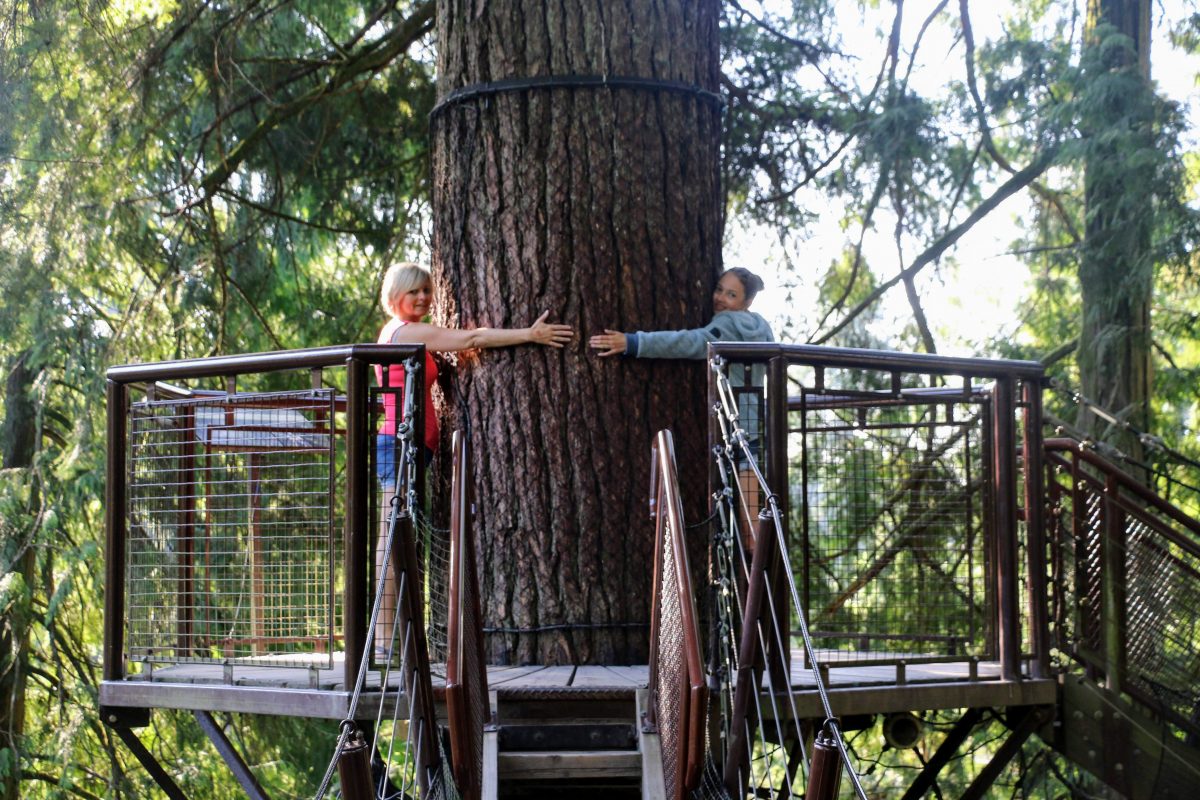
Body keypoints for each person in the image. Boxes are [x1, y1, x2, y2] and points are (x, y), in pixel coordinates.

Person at [374, 261, 572, 656]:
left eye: (427, 290)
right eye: (414, 291)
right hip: (400, 443)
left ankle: (386, 641)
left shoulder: (400, 332)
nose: (423, 298)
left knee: (398, 535)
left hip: (410, 445)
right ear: (396, 295)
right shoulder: (407, 331)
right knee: (391, 535)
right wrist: (530, 334)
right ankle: (380, 644)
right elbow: (470, 339)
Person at [588, 267, 773, 549]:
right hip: (753, 421)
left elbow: (689, 342)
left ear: (746, 302)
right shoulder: (763, 329)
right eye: (719, 289)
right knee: (750, 506)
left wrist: (633, 342)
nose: (721, 298)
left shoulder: (725, 325)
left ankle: (757, 576)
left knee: (746, 518)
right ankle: (759, 571)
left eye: (731, 294)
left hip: (733, 425)